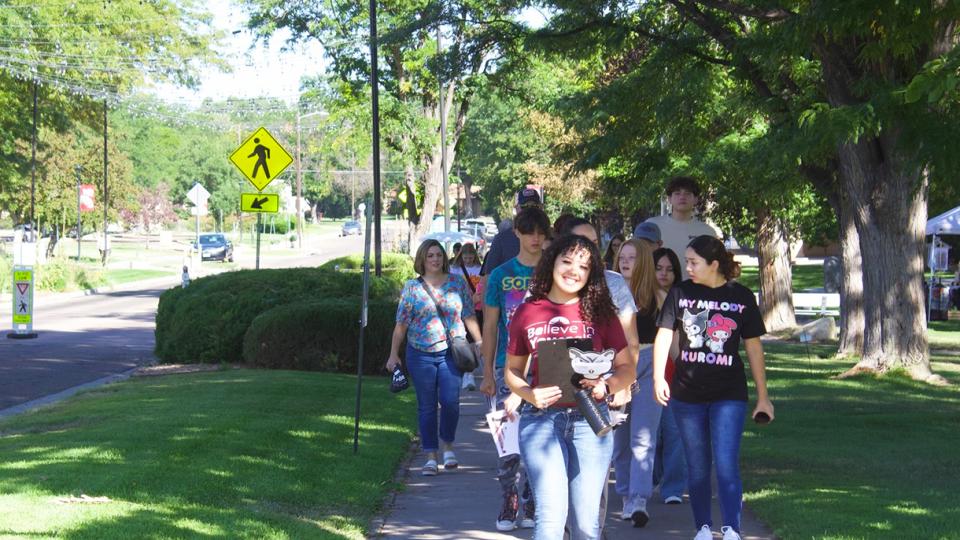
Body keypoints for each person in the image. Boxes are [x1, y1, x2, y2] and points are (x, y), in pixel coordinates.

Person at [504, 233, 636, 540]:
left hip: (590, 420)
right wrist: (527, 393)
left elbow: (627, 368)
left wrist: (609, 384)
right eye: (567, 261)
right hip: (542, 421)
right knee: (550, 519)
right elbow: (512, 371)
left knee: (587, 524)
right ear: (552, 263)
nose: (574, 270)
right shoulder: (527, 311)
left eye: (584, 266)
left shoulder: (601, 313)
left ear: (591, 275)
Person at [652, 235, 774, 540]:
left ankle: (732, 528)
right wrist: (658, 377)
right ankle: (703, 528)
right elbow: (664, 335)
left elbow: (754, 348)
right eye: (688, 261)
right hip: (686, 394)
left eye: (694, 262)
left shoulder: (741, 296)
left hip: (728, 394)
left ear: (714, 264)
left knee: (726, 462)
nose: (688, 267)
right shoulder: (680, 292)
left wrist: (763, 397)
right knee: (697, 464)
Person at [386, 240, 484, 476]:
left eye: (439, 255)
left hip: (451, 353)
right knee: (427, 406)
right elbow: (401, 325)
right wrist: (393, 355)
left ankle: (448, 447)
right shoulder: (412, 288)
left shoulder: (456, 283)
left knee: (450, 403)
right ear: (422, 259)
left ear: (444, 258)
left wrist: (479, 341)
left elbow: (469, 315)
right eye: (430, 256)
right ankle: (430, 455)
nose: (435, 259)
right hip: (420, 354)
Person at [480, 206, 551, 531]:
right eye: (529, 232)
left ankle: (533, 498)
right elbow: (491, 325)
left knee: (543, 440)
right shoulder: (500, 275)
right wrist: (486, 373)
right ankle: (509, 500)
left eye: (541, 232)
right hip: (507, 367)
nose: (536, 239)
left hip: (547, 367)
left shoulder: (554, 272)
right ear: (518, 234)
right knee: (508, 441)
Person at [610, 239, 662, 526]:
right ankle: (625, 495)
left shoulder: (659, 296)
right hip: (617, 365)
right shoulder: (609, 293)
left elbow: (669, 338)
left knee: (643, 438)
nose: (625, 262)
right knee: (619, 439)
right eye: (622, 257)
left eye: (632, 257)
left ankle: (639, 498)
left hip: (649, 361)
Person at [651, 247, 687, 505]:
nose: (664, 273)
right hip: (645, 374)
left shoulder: (682, 299)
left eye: (669, 269)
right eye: (659, 268)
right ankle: (650, 479)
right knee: (650, 434)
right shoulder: (640, 299)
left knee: (674, 431)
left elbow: (677, 341)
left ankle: (673, 487)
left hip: (675, 373)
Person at [644, 177, 719, 280]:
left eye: (688, 193)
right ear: (669, 198)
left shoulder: (707, 232)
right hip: (657, 289)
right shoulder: (652, 226)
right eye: (677, 193)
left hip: (694, 291)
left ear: (696, 199)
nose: (682, 197)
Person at [480, 188, 544, 277]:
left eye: (534, 206)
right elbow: (488, 278)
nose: (529, 211)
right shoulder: (502, 239)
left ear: (541, 207)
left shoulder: (552, 239)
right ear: (517, 208)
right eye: (524, 207)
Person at [451, 243, 483, 391]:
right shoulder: (455, 269)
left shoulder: (479, 269)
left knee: (475, 340)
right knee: (465, 339)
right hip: (460, 308)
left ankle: (470, 369)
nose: (468, 259)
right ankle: (467, 371)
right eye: (465, 257)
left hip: (477, 308)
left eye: (470, 256)